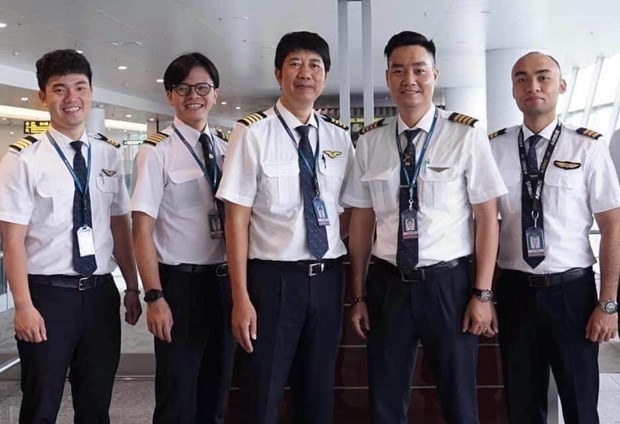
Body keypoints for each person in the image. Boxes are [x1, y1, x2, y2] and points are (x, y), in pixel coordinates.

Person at [343, 31, 507, 424]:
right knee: (385, 396)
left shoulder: (465, 135)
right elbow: (363, 222)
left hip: (447, 285)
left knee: (459, 397)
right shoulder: (370, 142)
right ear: (387, 78)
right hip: (387, 285)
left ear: (435, 73)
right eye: (398, 70)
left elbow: (487, 218)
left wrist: (482, 293)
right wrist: (359, 293)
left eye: (418, 69)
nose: (409, 79)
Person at [216, 31, 354, 423]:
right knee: (263, 391)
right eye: (295, 64)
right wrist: (240, 296)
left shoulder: (339, 138)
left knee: (319, 390)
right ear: (279, 73)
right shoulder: (252, 132)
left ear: (325, 77)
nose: (305, 73)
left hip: (327, 279)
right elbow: (236, 218)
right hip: (272, 281)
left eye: (315, 65)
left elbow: (351, 210)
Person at [0, 49, 142, 424]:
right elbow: (12, 241)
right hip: (47, 296)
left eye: (80, 87)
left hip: (99, 295)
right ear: (42, 97)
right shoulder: (22, 159)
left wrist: (131, 286)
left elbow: (119, 227)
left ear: (92, 92)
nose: (71, 98)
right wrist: (24, 306)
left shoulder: (108, 155)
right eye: (59, 89)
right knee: (41, 403)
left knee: (96, 404)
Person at [489, 51, 620, 424]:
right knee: (522, 404)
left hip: (572, 295)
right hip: (514, 291)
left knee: (580, 403)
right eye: (522, 78)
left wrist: (608, 303)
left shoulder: (587, 147)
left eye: (543, 77)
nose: (533, 86)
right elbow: (484, 224)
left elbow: (613, 226)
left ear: (561, 86)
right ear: (513, 90)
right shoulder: (494, 148)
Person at [131, 52, 235, 424]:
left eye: (202, 87)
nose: (194, 95)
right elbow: (141, 229)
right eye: (183, 88)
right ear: (170, 96)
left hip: (223, 286)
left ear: (215, 93)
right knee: (177, 395)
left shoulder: (227, 149)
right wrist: (154, 295)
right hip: (180, 286)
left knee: (218, 390)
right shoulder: (155, 151)